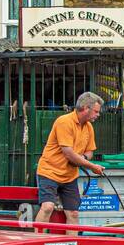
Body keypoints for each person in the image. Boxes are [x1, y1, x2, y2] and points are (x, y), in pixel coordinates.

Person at [35, 91, 105, 225]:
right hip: (50, 172)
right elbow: (68, 153)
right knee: (47, 207)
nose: (98, 114)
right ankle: (37, 241)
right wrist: (92, 166)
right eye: (96, 111)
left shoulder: (89, 127)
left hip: (69, 176)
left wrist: (83, 157)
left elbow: (90, 151)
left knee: (73, 213)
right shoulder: (64, 122)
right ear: (85, 108)